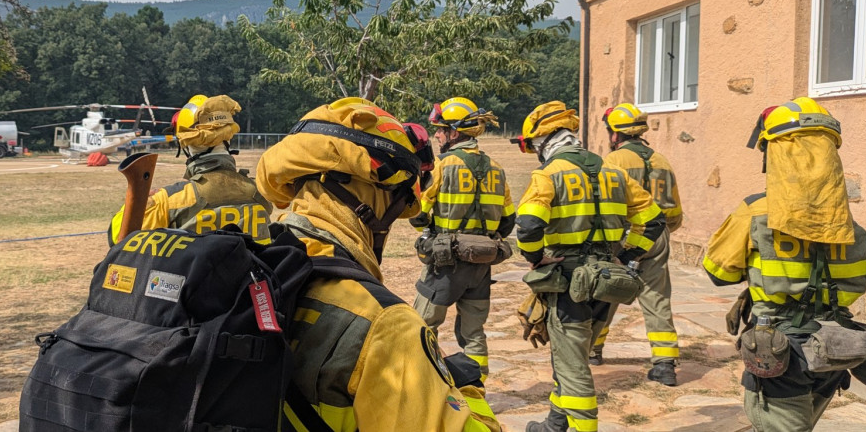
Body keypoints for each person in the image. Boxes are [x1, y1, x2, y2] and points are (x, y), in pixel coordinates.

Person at [256, 97, 501, 431]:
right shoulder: (386, 324)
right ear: (373, 196)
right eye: (396, 203)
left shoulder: (252, 269)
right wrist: (465, 390)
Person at [703, 98, 866, 431]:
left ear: (773, 153)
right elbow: (852, 289)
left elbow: (717, 273)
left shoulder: (755, 211)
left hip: (779, 351)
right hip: (833, 349)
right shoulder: (849, 225)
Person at [512, 101, 665, 432]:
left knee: (572, 365)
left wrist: (536, 258)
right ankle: (554, 425)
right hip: (607, 280)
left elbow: (527, 226)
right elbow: (653, 220)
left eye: (534, 147)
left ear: (543, 141)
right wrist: (626, 256)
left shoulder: (548, 174)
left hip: (569, 281)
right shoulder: (614, 171)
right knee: (574, 358)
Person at [410, 97, 513, 379]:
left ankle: (423, 386)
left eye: (441, 130)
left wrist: (429, 233)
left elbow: (417, 210)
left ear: (455, 132)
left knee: (421, 326)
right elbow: (508, 221)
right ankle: (477, 389)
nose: (436, 135)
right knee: (474, 334)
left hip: (446, 263)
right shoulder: (497, 168)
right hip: (481, 265)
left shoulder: (442, 165)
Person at [587, 103, 685, 385]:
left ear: (615, 135)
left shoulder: (613, 162)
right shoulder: (662, 160)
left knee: (606, 290)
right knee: (656, 297)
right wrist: (665, 233)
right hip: (659, 234)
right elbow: (675, 209)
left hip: (624, 234)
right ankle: (665, 363)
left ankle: (593, 350)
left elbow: (604, 203)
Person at [108, 94, 271, 245]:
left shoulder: (168, 201)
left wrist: (139, 202)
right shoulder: (261, 194)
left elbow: (117, 239)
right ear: (227, 136)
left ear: (185, 144)